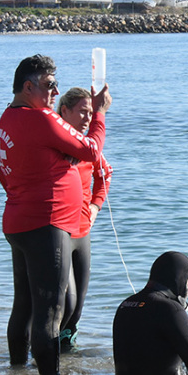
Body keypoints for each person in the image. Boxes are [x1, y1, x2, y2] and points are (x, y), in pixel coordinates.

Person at [0, 55, 112, 375]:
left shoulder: (8, 118)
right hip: (47, 222)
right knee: (50, 310)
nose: (54, 92)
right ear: (27, 86)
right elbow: (91, 150)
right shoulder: (41, 119)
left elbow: (5, 172)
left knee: (24, 305)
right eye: (48, 86)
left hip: (20, 220)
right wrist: (100, 114)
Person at [56, 87, 114, 350]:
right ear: (64, 111)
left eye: (91, 113)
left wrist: (95, 206)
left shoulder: (91, 148)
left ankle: (68, 358)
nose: (88, 118)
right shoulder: (57, 144)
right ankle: (45, 351)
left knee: (77, 308)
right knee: (65, 303)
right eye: (82, 111)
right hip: (59, 231)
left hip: (83, 231)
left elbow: (105, 176)